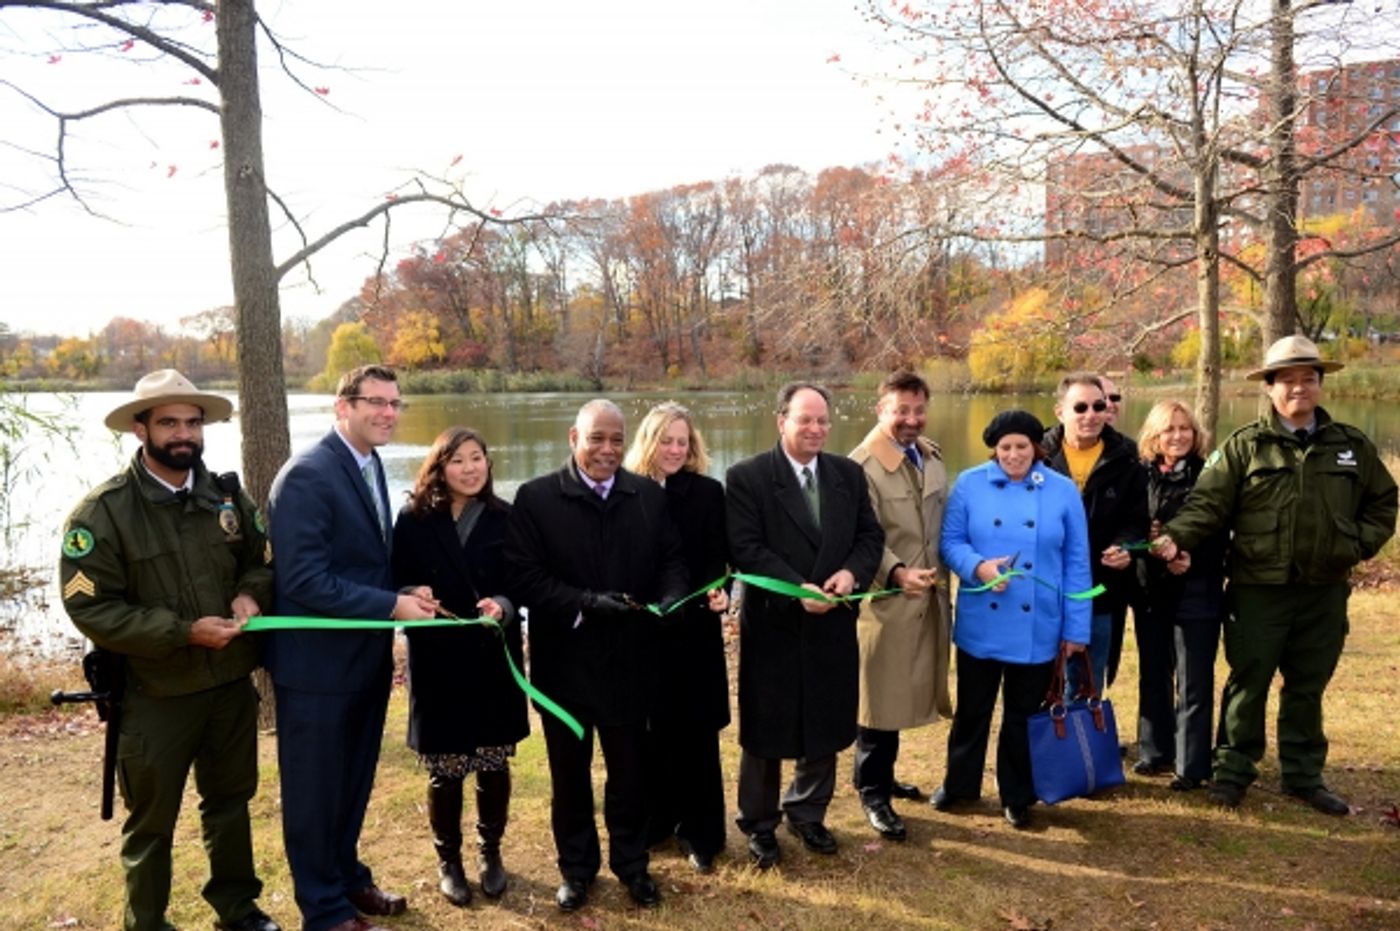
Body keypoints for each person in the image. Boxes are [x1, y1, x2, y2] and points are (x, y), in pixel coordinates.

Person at [57, 369, 279, 931]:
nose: (184, 434)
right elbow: (92, 608)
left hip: (229, 684)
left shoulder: (225, 494)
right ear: (141, 429)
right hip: (157, 694)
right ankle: (148, 923)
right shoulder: (101, 514)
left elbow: (263, 558)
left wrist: (251, 593)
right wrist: (182, 632)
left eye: (193, 422)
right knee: (151, 822)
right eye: (169, 422)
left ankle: (236, 908)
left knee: (229, 805)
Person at [1154, 336, 1397, 814]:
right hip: (1258, 591)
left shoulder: (1349, 447)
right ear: (1269, 388)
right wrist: (1176, 536)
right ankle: (1233, 771)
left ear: (1320, 385)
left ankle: (1303, 775)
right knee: (1249, 682)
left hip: (1324, 591)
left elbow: (1383, 503)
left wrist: (1355, 545)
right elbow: (1207, 503)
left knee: (1308, 685)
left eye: (1309, 379)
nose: (1299, 389)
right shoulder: (1246, 446)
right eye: (1287, 380)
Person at [265, 364, 436, 931]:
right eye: (375, 402)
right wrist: (390, 607)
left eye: (394, 402)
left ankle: (348, 879)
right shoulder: (308, 476)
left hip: (363, 662)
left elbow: (360, 563)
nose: (388, 412)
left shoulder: (369, 465)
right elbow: (305, 581)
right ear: (343, 407)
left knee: (353, 781)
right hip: (315, 669)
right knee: (315, 793)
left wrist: (401, 590)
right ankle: (323, 908)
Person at [503, 399, 688, 911]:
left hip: (632, 666)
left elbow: (672, 559)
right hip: (565, 668)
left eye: (615, 440)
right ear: (573, 438)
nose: (607, 449)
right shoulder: (536, 498)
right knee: (570, 778)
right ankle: (577, 870)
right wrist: (582, 603)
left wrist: (673, 596)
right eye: (596, 439)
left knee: (630, 775)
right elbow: (524, 576)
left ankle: (632, 865)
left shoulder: (647, 496)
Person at [726, 382, 885, 868]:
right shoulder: (748, 477)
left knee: (825, 716)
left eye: (822, 420)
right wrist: (799, 590)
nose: (815, 429)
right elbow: (746, 549)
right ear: (782, 421)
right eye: (805, 420)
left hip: (832, 621)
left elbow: (869, 535)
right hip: (776, 623)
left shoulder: (847, 474)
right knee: (766, 725)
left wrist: (850, 574)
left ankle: (808, 811)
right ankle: (760, 822)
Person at [933, 410, 1092, 830]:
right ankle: (960, 784)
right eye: (1005, 447)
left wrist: (1076, 627)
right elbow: (950, 542)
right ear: (994, 450)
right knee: (973, 710)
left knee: (1023, 715)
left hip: (1039, 624)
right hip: (980, 624)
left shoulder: (1061, 491)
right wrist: (979, 568)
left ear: (1036, 449)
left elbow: (1077, 561)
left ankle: (1017, 795)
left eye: (1021, 446)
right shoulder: (968, 483)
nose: (1013, 454)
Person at [391, 428, 526, 905]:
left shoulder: (505, 517)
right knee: (446, 768)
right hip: (439, 660)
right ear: (439, 466)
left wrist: (505, 605)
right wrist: (410, 593)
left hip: (492, 658)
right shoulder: (412, 520)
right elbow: (394, 578)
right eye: (458, 460)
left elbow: (523, 582)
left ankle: (491, 852)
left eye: (478, 458)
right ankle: (449, 860)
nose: (470, 468)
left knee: (492, 761)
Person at [623, 402, 731, 873]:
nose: (674, 449)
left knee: (697, 734)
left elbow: (721, 559)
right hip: (645, 632)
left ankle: (701, 832)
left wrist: (722, 592)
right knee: (651, 732)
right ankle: (657, 820)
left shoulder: (708, 492)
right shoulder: (626, 492)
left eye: (682, 441)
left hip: (696, 632)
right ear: (649, 441)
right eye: (665, 440)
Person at [847, 370, 952, 842]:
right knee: (878, 702)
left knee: (904, 696)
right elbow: (860, 537)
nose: (911, 419)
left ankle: (883, 777)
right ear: (880, 410)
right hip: (884, 602)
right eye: (900, 411)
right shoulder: (860, 466)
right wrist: (895, 572)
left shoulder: (931, 457)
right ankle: (872, 793)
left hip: (928, 600)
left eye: (918, 410)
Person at [1132, 402, 1226, 789]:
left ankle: (1192, 766)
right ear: (1154, 435)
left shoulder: (1210, 475)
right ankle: (1154, 752)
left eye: (1185, 428)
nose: (1178, 436)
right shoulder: (1140, 477)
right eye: (1169, 429)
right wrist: (1147, 544)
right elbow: (1131, 528)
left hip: (1197, 587)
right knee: (1154, 673)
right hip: (1151, 588)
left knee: (1193, 682)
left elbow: (1220, 528)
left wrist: (1189, 556)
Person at [1042, 372, 1148, 697]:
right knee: (1039, 681)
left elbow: (1138, 519)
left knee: (1088, 680)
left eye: (1098, 406)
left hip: (1101, 590)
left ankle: (1083, 745)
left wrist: (1125, 547)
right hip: (1045, 588)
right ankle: (1040, 747)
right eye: (1081, 407)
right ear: (1060, 411)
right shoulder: (1037, 456)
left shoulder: (1127, 455)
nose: (1090, 415)